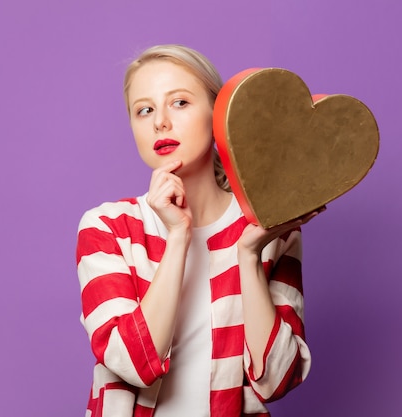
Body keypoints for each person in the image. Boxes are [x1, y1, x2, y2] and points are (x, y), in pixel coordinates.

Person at [75, 44, 322, 417]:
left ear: (217, 114)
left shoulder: (270, 229)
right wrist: (178, 237)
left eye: (179, 103)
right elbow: (132, 362)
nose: (160, 122)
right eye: (144, 110)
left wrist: (249, 256)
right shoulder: (107, 228)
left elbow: (277, 380)